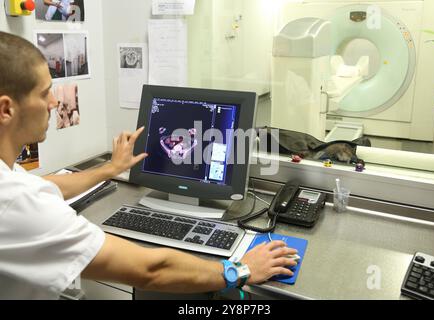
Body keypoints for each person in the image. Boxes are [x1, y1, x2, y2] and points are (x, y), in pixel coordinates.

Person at [0, 32, 298, 300]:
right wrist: (241, 270)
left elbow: (44, 187)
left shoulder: (10, 182)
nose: (54, 102)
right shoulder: (15, 201)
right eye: (44, 93)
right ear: (6, 109)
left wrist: (110, 168)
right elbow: (150, 270)